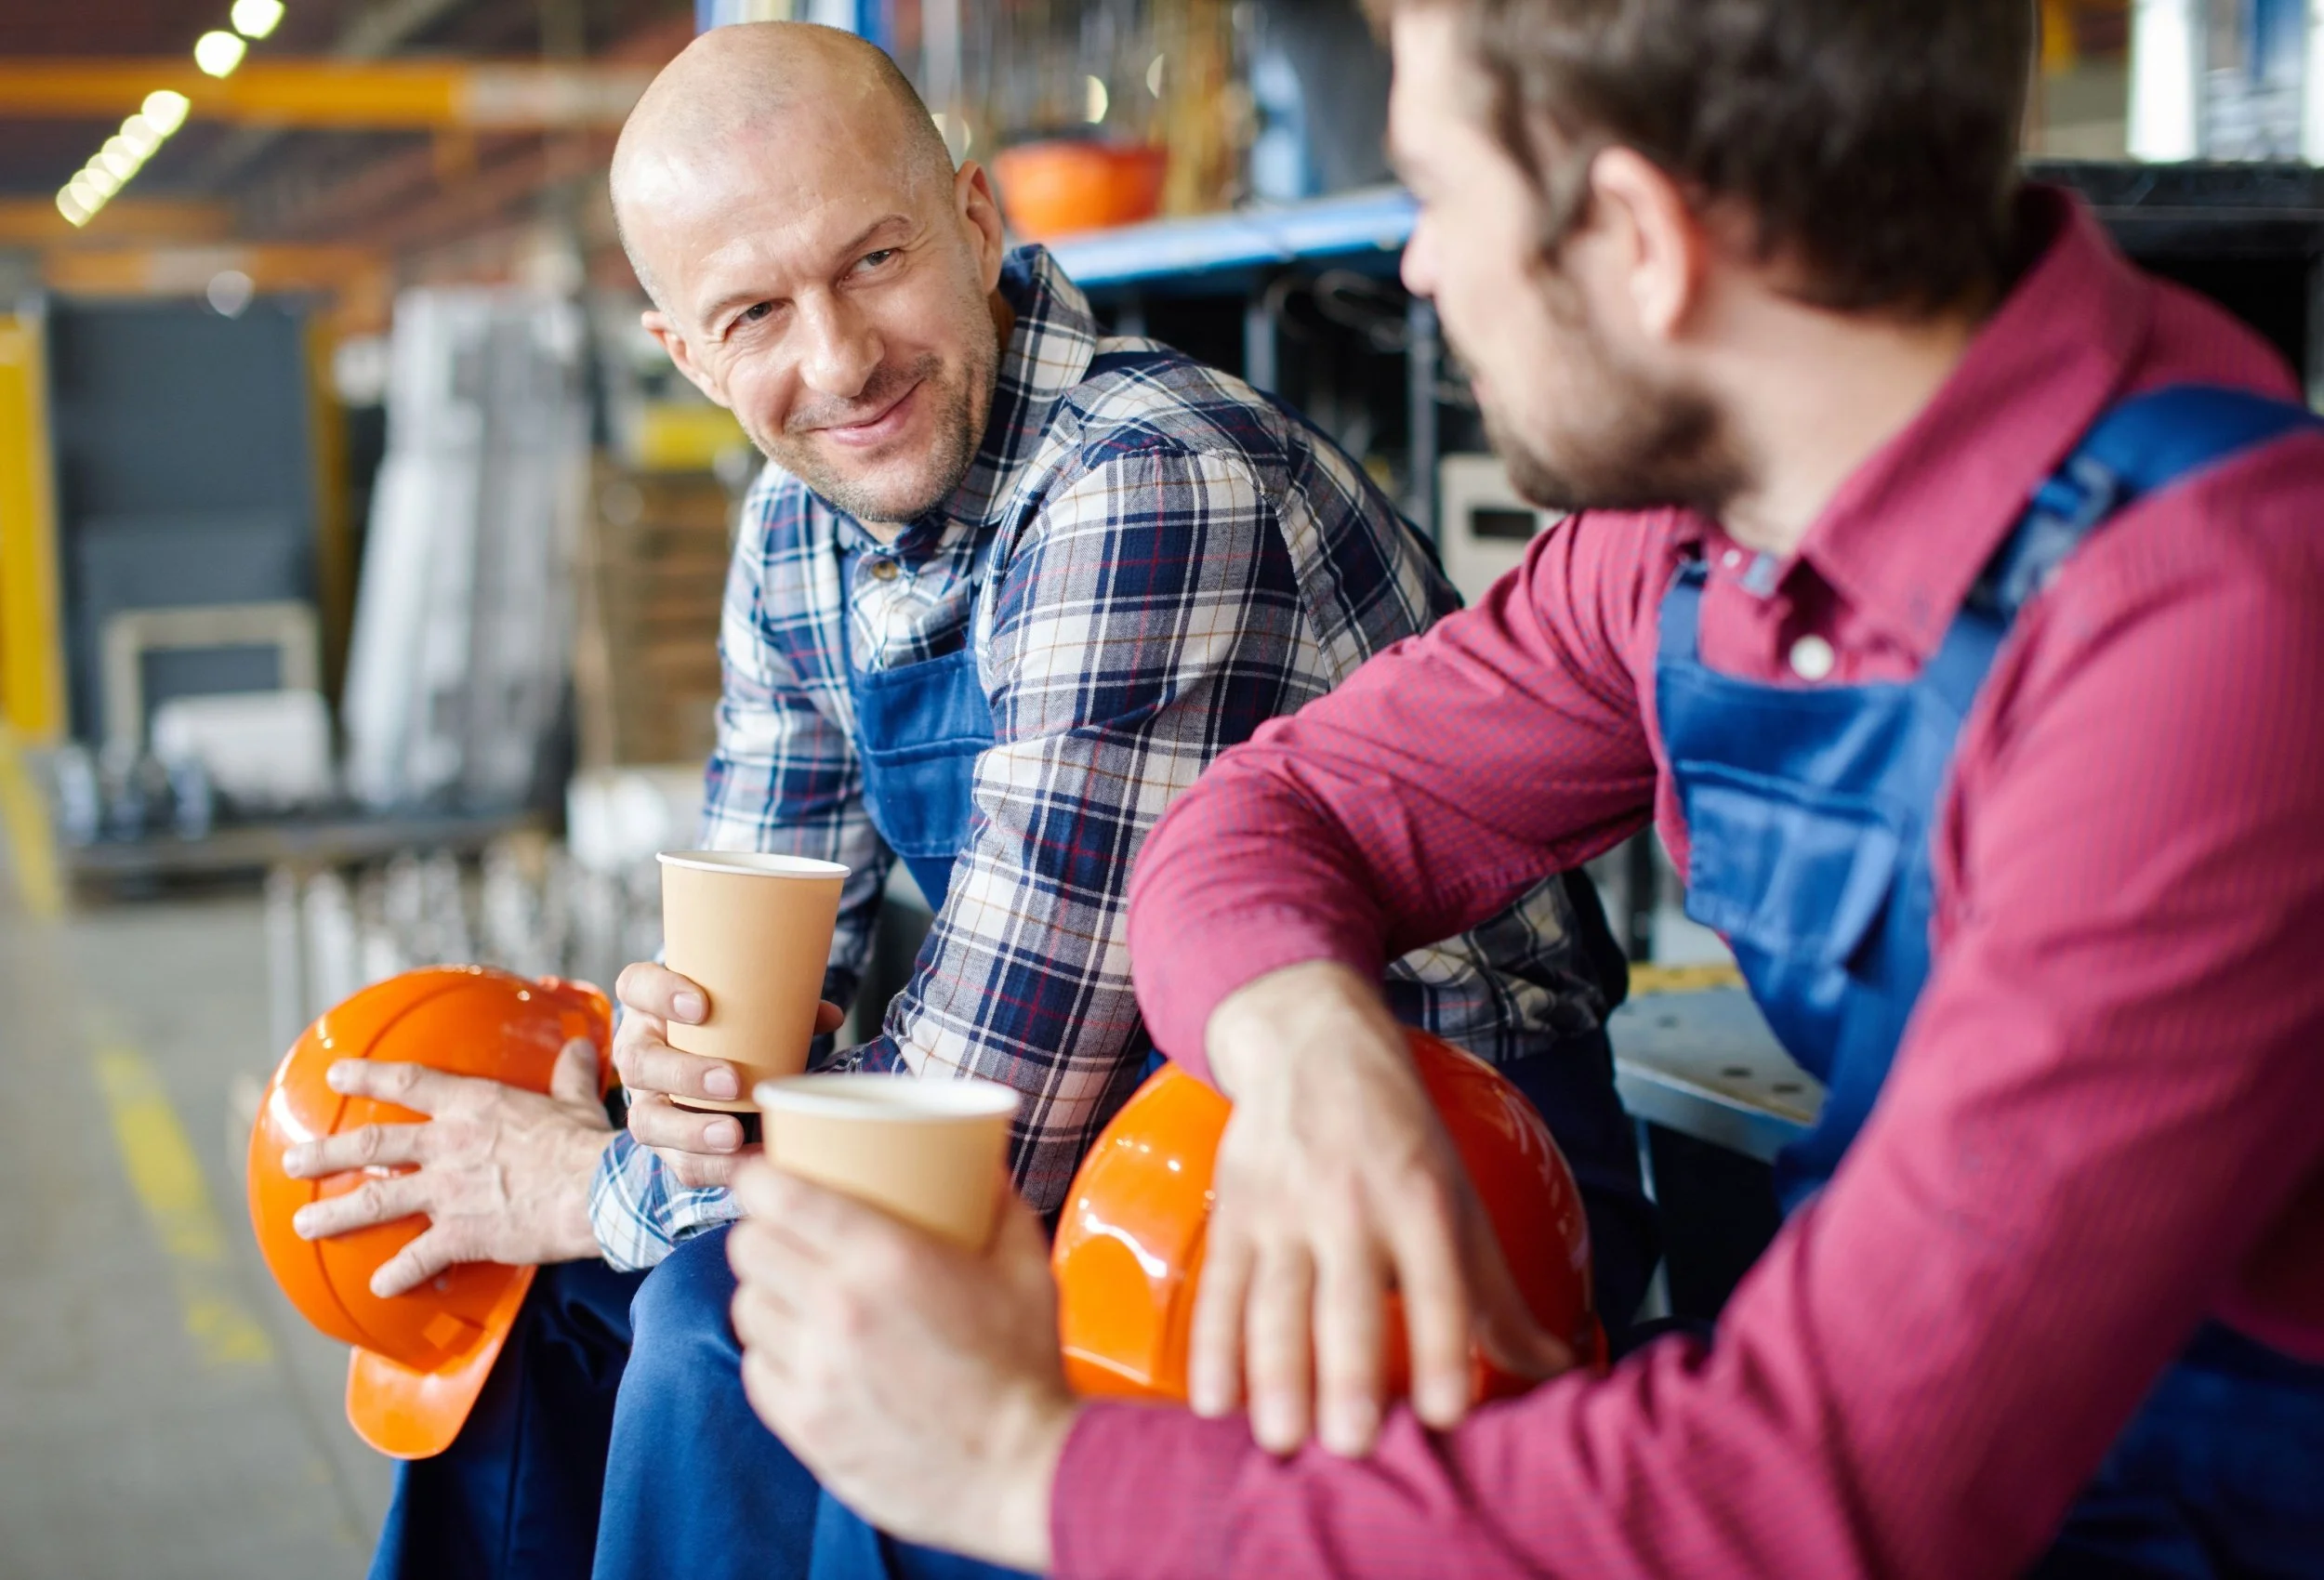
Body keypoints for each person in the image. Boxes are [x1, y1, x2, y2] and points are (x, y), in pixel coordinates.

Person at [721, 0, 2324, 1574]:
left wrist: (1024, 1470)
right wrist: (1305, 1042)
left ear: (1637, 239)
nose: (1418, 270)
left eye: (1437, 193)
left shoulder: (2220, 640)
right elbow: (1271, 820)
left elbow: (1805, 1499)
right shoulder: (1686, 540)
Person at [280, 20, 1655, 1580]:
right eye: (754, 313)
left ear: (979, 223)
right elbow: (764, 1029)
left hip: (1417, 1161)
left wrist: (588, 1184)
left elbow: (982, 1138)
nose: (839, 359)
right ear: (686, 352)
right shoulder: (796, 533)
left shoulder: (1144, 479)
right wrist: (680, 1076)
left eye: (873, 261)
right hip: (1095, 1114)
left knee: (711, 1330)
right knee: (539, 1311)